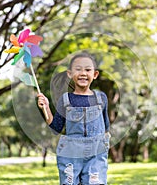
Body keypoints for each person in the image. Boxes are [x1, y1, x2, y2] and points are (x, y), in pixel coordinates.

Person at [37, 52, 110, 185]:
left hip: (95, 153)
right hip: (71, 153)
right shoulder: (65, 100)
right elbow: (55, 128)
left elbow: (105, 127)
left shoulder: (101, 98)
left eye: (88, 69)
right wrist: (46, 108)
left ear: (95, 74)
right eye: (78, 69)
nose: (83, 73)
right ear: (70, 74)